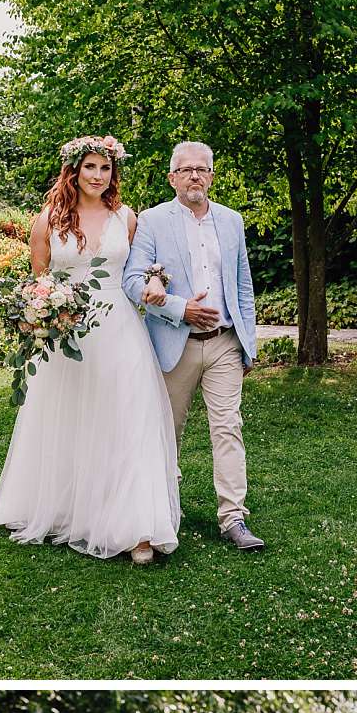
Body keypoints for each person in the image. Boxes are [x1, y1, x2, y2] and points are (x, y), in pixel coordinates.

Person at [0, 135, 181, 565]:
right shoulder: (49, 220)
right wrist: (44, 312)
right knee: (73, 420)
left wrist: (159, 281)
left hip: (121, 330)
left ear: (113, 173)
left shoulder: (127, 219)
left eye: (106, 168)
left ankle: (138, 526)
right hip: (71, 336)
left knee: (128, 421)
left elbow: (141, 271)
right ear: (74, 171)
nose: (98, 176)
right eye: (91, 168)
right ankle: (69, 509)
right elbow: (37, 281)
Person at [122, 141, 264, 552]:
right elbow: (132, 282)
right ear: (172, 178)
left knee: (228, 428)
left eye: (202, 170)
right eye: (185, 170)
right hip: (173, 345)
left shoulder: (232, 221)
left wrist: (248, 344)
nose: (194, 177)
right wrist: (180, 308)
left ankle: (233, 516)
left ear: (212, 177)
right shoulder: (151, 221)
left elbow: (243, 286)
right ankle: (164, 514)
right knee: (168, 433)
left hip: (224, 343)